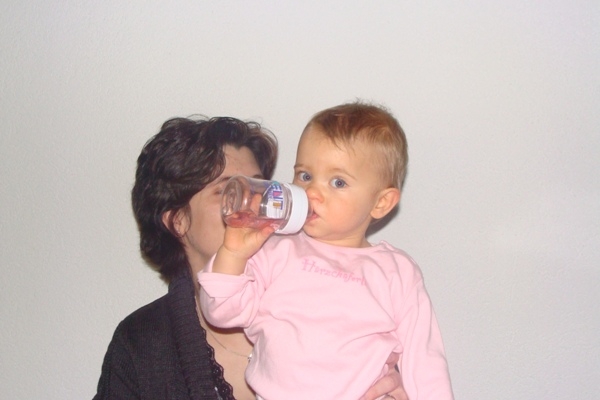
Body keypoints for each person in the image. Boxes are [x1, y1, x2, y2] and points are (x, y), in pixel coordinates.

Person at [94, 115, 408, 400]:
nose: (253, 201)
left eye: (257, 185)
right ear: (179, 222)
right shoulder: (142, 343)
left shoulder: (341, 298)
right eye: (226, 190)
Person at [199, 103, 454, 399]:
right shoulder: (274, 249)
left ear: (380, 203)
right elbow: (221, 311)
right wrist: (233, 254)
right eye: (305, 175)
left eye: (338, 182)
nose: (312, 192)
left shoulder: (396, 272)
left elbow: (425, 363)